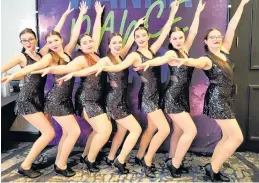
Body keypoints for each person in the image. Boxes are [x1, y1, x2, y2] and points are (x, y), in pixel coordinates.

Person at [167, 0, 250, 181]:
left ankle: (213, 165)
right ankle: (212, 169)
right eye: (212, 37)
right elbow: (195, 62)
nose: (216, 38)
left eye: (218, 36)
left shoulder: (224, 50)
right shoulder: (207, 58)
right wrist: (185, 61)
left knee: (228, 135)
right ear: (206, 42)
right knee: (236, 137)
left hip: (226, 98)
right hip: (217, 100)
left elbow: (232, 27)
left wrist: (242, 5)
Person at [1, 3, 74, 178]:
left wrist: (63, 17)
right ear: (21, 42)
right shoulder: (21, 56)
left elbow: (54, 35)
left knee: (48, 132)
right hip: (26, 100)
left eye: (30, 39)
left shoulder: (41, 54)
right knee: (49, 133)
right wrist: (11, 76)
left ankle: (51, 162)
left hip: (38, 99)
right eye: (24, 40)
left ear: (35, 39)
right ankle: (25, 165)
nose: (27, 42)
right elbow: (4, 68)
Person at [134, 0, 205, 177]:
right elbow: (161, 60)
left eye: (181, 37)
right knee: (188, 130)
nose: (179, 40)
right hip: (172, 97)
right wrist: (149, 62)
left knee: (179, 130)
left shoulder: (185, 49)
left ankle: (172, 157)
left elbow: (194, 31)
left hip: (182, 96)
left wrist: (197, 14)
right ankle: (161, 162)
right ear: (170, 41)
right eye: (175, 38)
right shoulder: (172, 53)